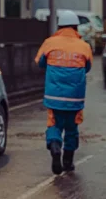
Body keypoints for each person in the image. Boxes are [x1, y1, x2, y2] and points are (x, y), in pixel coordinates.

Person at [34, 10, 93, 175]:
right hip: (75, 97)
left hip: (54, 96)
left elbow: (40, 62)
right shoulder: (84, 46)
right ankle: (68, 162)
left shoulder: (49, 42)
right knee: (72, 128)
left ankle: (54, 146)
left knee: (54, 124)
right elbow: (88, 67)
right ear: (76, 27)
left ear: (59, 26)